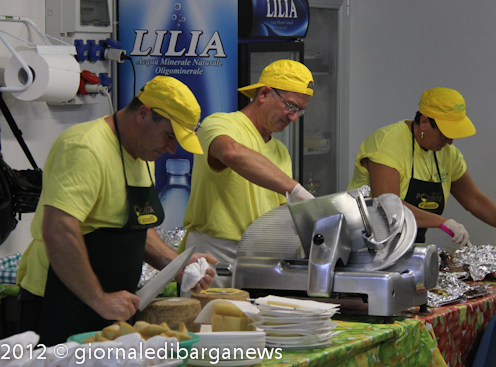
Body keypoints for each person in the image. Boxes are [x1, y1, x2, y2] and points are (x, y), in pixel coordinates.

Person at [16, 76, 216, 346]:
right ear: (143, 114)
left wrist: (177, 266)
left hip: (109, 307)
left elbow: (135, 226)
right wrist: (99, 298)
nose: (171, 149)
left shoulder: (142, 154)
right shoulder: (85, 147)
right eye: (169, 136)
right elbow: (59, 230)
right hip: (60, 304)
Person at [347, 87, 496, 247]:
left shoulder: (447, 153)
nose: (450, 141)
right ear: (424, 122)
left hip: (407, 249)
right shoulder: (387, 145)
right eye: (445, 134)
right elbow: (388, 206)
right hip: (364, 246)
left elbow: (475, 200)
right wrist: (442, 222)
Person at [182, 60, 315, 287]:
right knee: (209, 311)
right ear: (264, 94)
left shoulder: (281, 151)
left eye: (299, 111)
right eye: (290, 106)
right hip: (215, 254)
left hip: (260, 257)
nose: (293, 117)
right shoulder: (219, 124)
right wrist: (296, 190)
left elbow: (281, 211)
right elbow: (231, 153)